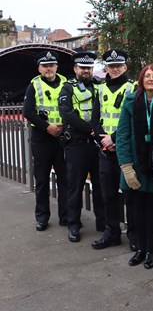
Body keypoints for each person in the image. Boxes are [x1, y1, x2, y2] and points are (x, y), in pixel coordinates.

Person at [115, 64, 153, 269]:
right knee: (136, 210)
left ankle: (150, 250)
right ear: (141, 79)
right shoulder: (130, 102)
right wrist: (126, 168)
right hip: (135, 166)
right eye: (147, 76)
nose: (151, 79)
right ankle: (139, 248)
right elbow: (122, 136)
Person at [90, 49, 136, 250]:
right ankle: (112, 233)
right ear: (106, 68)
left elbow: (136, 120)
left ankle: (134, 235)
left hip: (125, 150)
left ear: (125, 66)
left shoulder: (133, 88)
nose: (115, 69)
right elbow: (95, 118)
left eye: (118, 65)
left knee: (130, 195)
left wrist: (114, 139)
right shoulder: (99, 89)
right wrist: (103, 140)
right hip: (105, 151)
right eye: (111, 66)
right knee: (107, 194)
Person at [58, 51, 105, 243]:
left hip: (98, 145)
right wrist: (91, 130)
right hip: (77, 145)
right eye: (82, 68)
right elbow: (67, 114)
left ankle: (103, 224)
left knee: (101, 187)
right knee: (75, 187)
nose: (86, 71)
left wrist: (96, 132)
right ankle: (74, 225)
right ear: (75, 69)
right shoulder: (67, 88)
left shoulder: (100, 86)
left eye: (89, 67)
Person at [23, 50, 68, 231]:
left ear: (56, 66)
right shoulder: (33, 86)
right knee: (41, 180)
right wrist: (47, 127)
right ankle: (42, 217)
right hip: (42, 138)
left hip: (63, 137)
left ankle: (66, 216)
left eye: (51, 65)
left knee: (65, 180)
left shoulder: (67, 84)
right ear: (39, 68)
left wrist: (64, 126)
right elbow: (28, 111)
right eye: (45, 66)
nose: (49, 68)